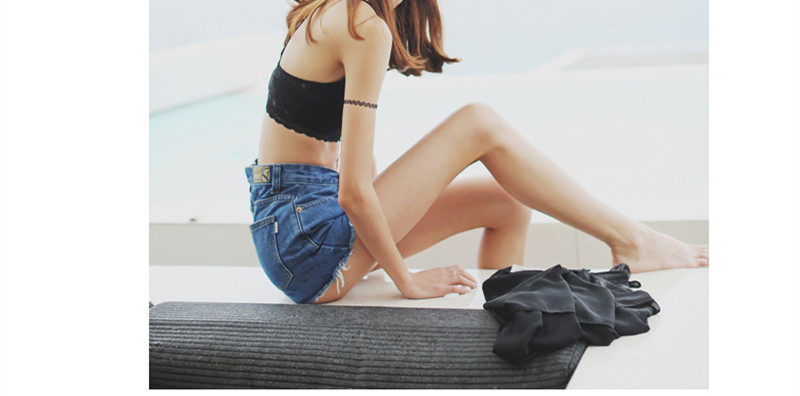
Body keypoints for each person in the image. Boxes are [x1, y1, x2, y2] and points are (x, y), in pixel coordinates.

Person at [247, 0, 709, 304]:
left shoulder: (343, 15)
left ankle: (492, 330)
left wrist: (377, 248)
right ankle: (631, 240)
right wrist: (406, 280)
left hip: (302, 230)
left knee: (506, 202)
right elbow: (353, 191)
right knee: (477, 123)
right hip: (307, 245)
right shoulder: (362, 25)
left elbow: (355, 165)